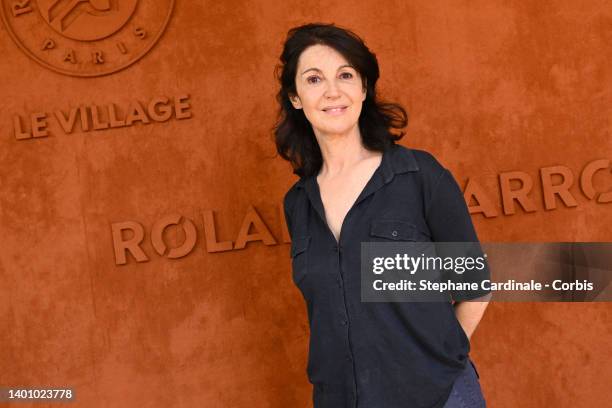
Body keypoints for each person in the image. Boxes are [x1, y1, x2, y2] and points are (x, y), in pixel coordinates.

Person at [274, 22, 492, 408]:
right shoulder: (299, 204)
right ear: (295, 97)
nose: (332, 91)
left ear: (363, 88)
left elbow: (475, 283)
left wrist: (437, 362)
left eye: (345, 75)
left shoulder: (419, 175)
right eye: (313, 79)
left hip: (439, 397)